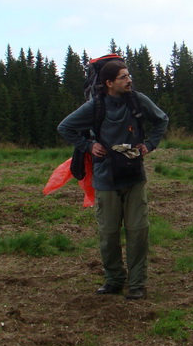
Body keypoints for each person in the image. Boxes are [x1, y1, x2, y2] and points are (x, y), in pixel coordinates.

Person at [57, 57, 169, 300]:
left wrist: (150, 144)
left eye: (129, 76)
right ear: (109, 83)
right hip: (106, 178)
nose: (129, 81)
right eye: (123, 77)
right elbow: (64, 127)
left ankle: (137, 284)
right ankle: (114, 280)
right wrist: (88, 145)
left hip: (134, 175)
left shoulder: (138, 101)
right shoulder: (95, 106)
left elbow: (162, 120)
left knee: (138, 231)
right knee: (108, 234)